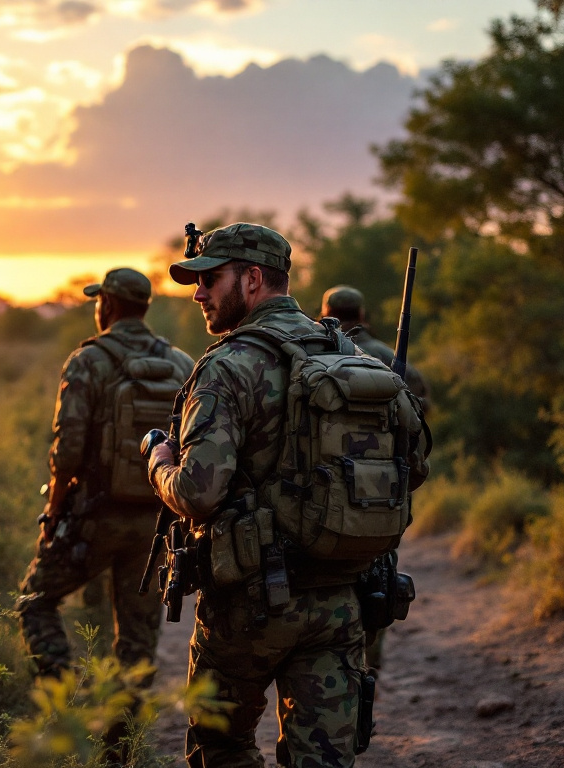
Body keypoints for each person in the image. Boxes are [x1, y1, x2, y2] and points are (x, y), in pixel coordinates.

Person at [146, 224, 429, 768]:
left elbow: (197, 493)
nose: (199, 293)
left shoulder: (228, 367)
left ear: (252, 280)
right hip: (341, 604)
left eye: (210, 279)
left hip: (246, 611)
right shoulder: (353, 357)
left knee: (221, 747)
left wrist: (159, 462)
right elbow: (412, 467)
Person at [16, 267, 194, 680]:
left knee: (35, 601)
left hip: (95, 517)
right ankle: (120, 742)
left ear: (108, 305)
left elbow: (68, 450)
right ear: (145, 307)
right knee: (137, 641)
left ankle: (67, 703)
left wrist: (54, 511)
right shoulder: (182, 362)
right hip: (156, 523)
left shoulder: (88, 361)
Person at [320, 284, 431, 678]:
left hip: (323, 505)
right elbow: (416, 447)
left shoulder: (313, 356)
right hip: (382, 504)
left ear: (325, 313)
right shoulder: (391, 359)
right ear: (363, 316)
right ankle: (368, 670)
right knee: (377, 582)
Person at [320, 285, 430, 409]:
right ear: (361, 314)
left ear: (325, 314)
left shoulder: (314, 352)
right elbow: (420, 402)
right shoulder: (388, 356)